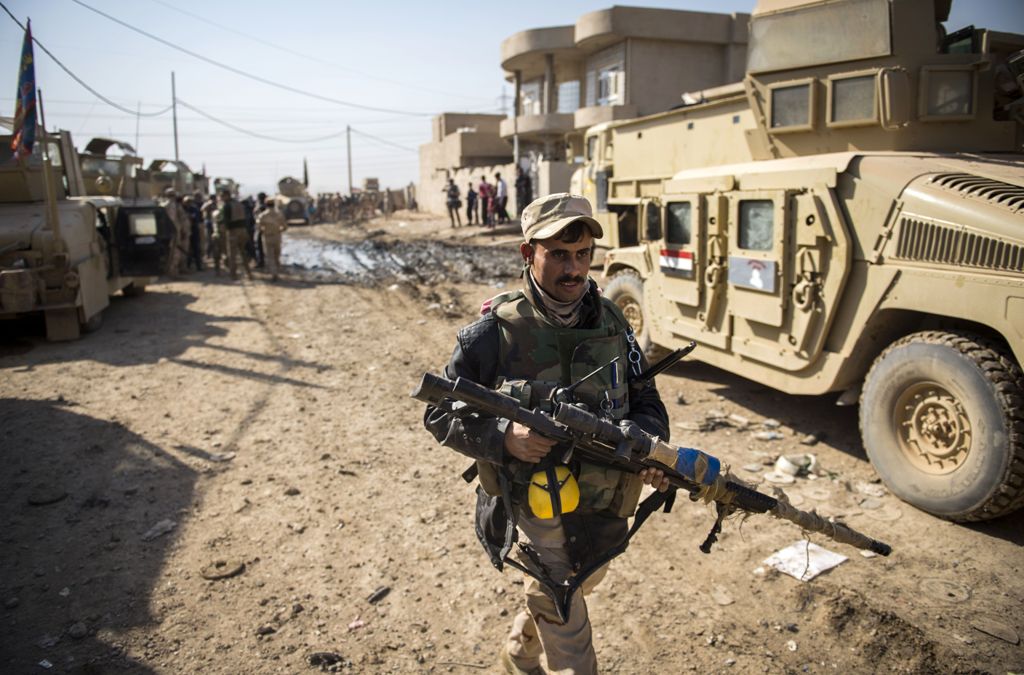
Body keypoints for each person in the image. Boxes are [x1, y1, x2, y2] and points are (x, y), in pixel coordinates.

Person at [423, 193, 671, 674]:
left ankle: (518, 651)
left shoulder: (614, 324)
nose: (574, 269)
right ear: (527, 254)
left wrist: (647, 444)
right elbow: (440, 413)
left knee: (581, 579)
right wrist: (503, 436)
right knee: (564, 600)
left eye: (582, 255)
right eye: (559, 254)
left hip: (607, 493)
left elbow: (646, 398)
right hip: (537, 498)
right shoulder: (491, 334)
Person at [219, 189, 252, 280]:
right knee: (243, 252)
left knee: (232, 254)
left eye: (222, 196)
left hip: (233, 231)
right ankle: (248, 273)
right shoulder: (239, 204)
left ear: (226, 196)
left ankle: (233, 274)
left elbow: (226, 221)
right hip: (243, 230)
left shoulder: (227, 206)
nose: (221, 198)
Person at [256, 197, 287, 282]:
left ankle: (274, 273)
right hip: (277, 236)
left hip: (267, 237)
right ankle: (276, 271)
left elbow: (258, 226)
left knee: (270, 256)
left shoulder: (263, 215)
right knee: (277, 255)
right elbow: (285, 226)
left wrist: (264, 230)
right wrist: (279, 230)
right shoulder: (279, 214)